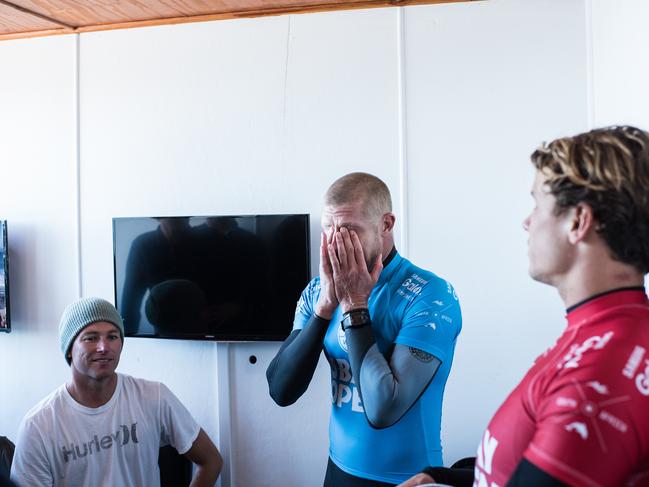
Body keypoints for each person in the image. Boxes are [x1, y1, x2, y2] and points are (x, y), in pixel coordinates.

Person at [399, 125, 649, 487]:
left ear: (578, 221)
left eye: (537, 203)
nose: (527, 222)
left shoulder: (601, 371)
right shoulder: (606, 334)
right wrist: (444, 479)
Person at [266, 172, 462, 486]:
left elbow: (385, 408)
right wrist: (326, 305)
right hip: (338, 469)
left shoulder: (431, 296)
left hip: (407, 477)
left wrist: (354, 303)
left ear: (386, 224)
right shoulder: (318, 291)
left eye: (349, 230)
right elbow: (280, 389)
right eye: (328, 228)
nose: (335, 241)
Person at [10, 297, 222, 487]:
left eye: (112, 336)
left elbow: (211, 460)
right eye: (90, 338)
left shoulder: (154, 397)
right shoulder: (39, 426)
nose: (104, 347)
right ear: (69, 349)